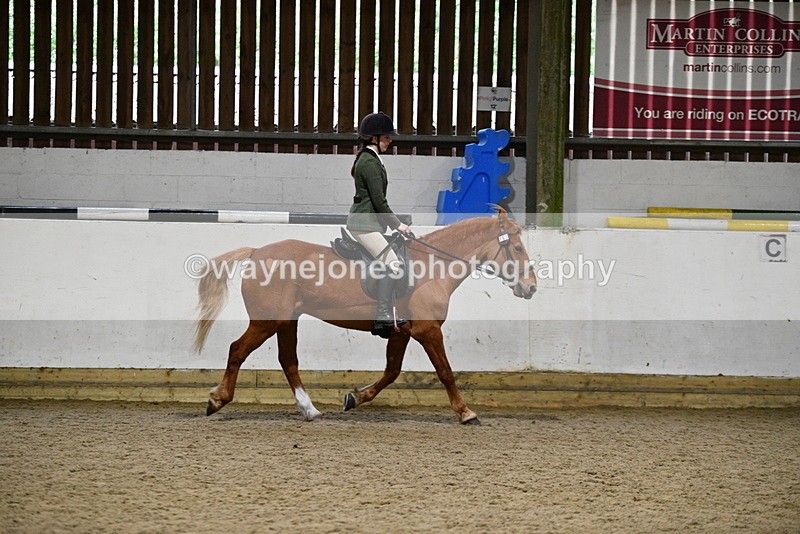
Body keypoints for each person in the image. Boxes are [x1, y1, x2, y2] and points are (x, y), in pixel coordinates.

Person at [347, 112, 412, 338]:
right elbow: (379, 202)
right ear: (373, 138)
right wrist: (398, 225)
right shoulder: (369, 162)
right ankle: (383, 313)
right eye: (386, 137)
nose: (390, 141)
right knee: (394, 264)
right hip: (364, 224)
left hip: (370, 222)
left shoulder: (372, 159)